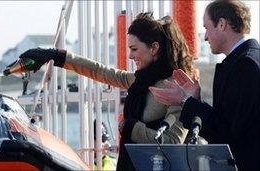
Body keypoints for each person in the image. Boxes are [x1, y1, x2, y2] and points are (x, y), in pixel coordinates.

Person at [18, 13, 194, 170]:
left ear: (154, 48)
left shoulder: (175, 86)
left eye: (134, 49)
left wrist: (132, 128)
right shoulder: (138, 80)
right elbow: (99, 71)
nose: (131, 56)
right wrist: (55, 55)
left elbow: (173, 141)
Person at [149, 1, 260, 170]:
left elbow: (226, 131)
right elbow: (230, 120)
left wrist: (185, 101)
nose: (206, 36)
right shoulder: (247, 60)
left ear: (222, 24)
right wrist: (195, 99)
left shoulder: (246, 65)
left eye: (207, 27)